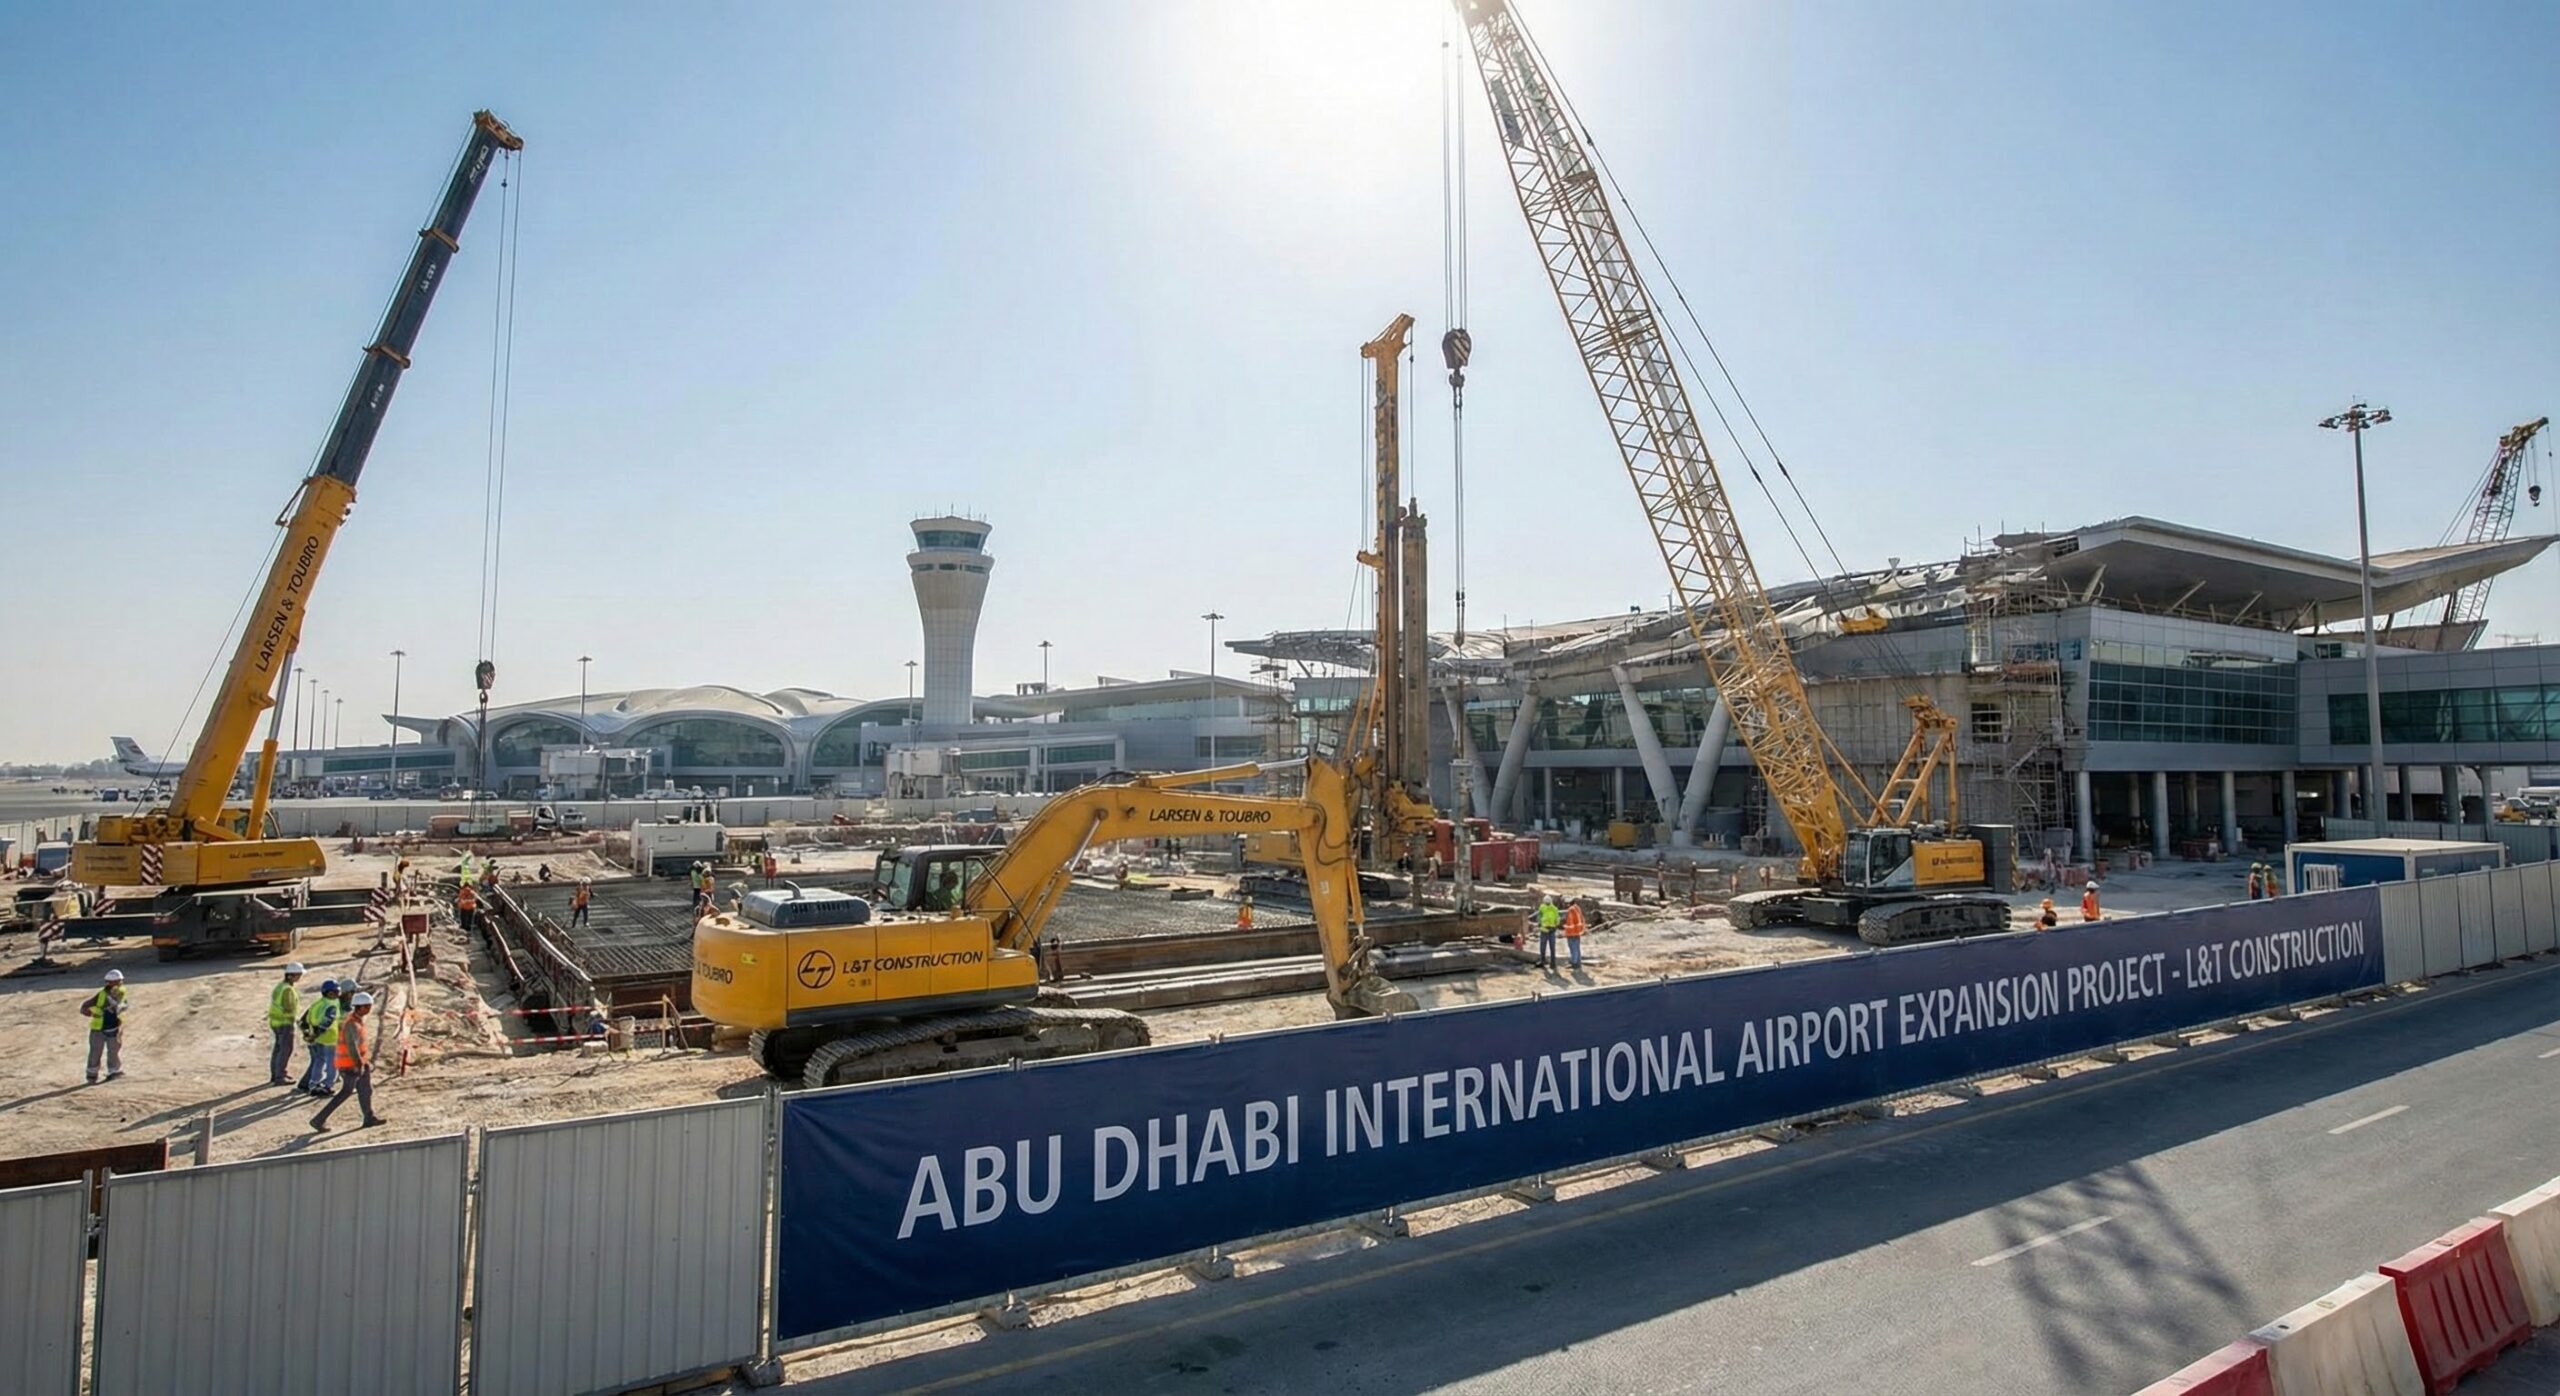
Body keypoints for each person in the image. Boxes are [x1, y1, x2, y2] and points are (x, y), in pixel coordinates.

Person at [310, 991, 385, 1131]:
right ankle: (318, 1119)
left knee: (365, 1089)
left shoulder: (356, 1021)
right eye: (368, 1006)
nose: (369, 1009)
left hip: (358, 1063)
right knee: (346, 1092)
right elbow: (352, 1046)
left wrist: (363, 1062)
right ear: (361, 1007)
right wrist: (358, 1064)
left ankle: (369, 1117)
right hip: (350, 1065)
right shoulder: (352, 1024)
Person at [82, 967, 128, 1084]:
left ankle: (114, 1072)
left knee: (113, 1051)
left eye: (120, 981)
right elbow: (85, 1006)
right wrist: (90, 1012)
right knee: (96, 1052)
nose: (120, 983)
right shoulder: (102, 994)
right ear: (109, 982)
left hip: (114, 1028)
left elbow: (120, 1006)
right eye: (118, 981)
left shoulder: (120, 992)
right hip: (99, 1029)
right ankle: (92, 1076)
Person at [298, 980, 343, 1095]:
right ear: (329, 993)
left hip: (318, 1039)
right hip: (329, 1038)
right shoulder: (332, 1005)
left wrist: (310, 1034)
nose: (337, 994)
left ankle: (314, 1083)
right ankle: (328, 1085)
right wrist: (316, 1034)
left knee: (319, 1060)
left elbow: (304, 1020)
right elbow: (327, 1022)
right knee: (332, 1063)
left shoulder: (317, 1003)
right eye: (336, 992)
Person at [266, 961, 305, 1085]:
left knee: (278, 1049)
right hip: (285, 1023)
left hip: (276, 1022)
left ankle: (276, 1074)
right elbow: (289, 1008)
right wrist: (296, 1021)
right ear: (291, 975)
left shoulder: (280, 986)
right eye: (298, 975)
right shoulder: (287, 990)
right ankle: (280, 1076)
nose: (299, 977)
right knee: (285, 1050)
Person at [1535, 894, 1562, 969]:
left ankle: (1543, 961)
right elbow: (1557, 919)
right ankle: (1552, 963)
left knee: (1544, 947)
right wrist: (1556, 926)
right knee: (1551, 947)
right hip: (1550, 930)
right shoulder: (1554, 909)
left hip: (1546, 930)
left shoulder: (1543, 907)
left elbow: (1539, 917)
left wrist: (1539, 924)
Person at [1562, 899, 1586, 970]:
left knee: (1573, 948)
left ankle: (1574, 963)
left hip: (1572, 932)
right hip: (1578, 931)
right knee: (1577, 948)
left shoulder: (1571, 910)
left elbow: (1570, 922)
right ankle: (1578, 962)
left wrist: (1565, 927)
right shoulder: (1577, 908)